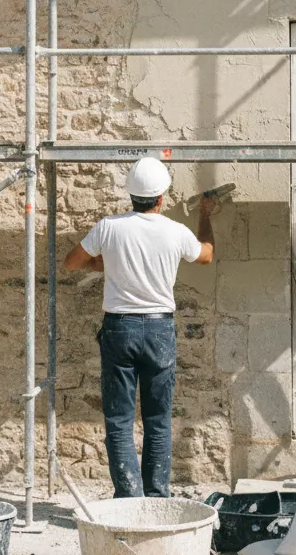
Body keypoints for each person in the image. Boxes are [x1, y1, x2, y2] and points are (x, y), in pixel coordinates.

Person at [63, 158, 216, 497]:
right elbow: (206, 255)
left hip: (120, 327)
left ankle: (129, 499)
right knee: (157, 420)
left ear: (130, 195)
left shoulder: (110, 227)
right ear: (161, 198)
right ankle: (156, 497)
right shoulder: (175, 231)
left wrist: (111, 264)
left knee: (119, 420)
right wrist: (205, 215)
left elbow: (72, 262)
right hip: (159, 329)